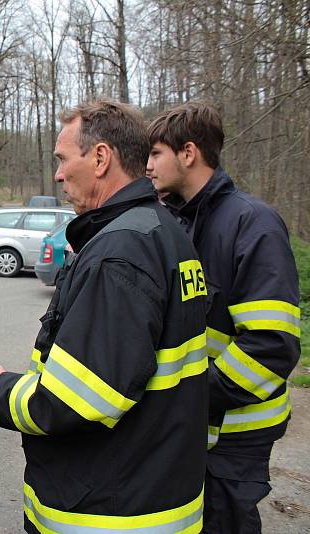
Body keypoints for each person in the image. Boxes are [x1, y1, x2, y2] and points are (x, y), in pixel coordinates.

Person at [0, 99, 209, 533]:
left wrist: (6, 394)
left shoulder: (119, 253)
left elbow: (79, 400)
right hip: (158, 494)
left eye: (64, 160)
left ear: (101, 158)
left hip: (110, 512)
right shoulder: (163, 231)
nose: (59, 174)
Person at [147, 103, 301, 533]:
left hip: (236, 436)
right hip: (195, 427)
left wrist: (190, 396)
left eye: (157, 153)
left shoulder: (253, 224)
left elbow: (272, 345)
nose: (149, 165)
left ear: (189, 153)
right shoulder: (178, 221)